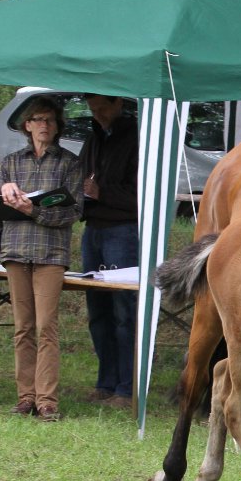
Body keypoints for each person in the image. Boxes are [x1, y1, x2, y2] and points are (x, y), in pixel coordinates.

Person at [0, 96, 84, 422]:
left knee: (47, 327)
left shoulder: (69, 164)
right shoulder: (10, 163)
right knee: (22, 328)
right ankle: (25, 396)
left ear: (57, 126)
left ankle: (47, 400)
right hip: (16, 251)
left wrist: (35, 211)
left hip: (50, 254)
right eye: (38, 119)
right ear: (26, 124)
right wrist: (4, 194)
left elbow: (73, 212)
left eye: (50, 120)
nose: (44, 126)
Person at [76, 93, 138, 409]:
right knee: (98, 311)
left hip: (123, 230)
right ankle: (106, 381)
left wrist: (102, 192)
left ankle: (127, 388)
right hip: (93, 230)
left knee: (124, 311)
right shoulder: (94, 137)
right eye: (93, 109)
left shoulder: (138, 137)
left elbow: (143, 195)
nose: (98, 114)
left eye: (102, 108)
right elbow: (81, 176)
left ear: (118, 105)